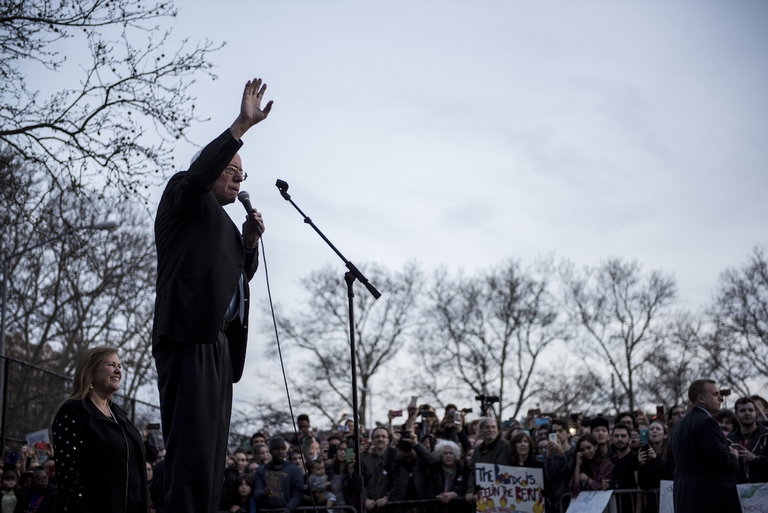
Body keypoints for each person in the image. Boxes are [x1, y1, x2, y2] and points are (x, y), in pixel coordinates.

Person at [152, 77, 271, 513]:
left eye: (243, 175)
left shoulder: (225, 224)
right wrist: (240, 126)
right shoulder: (186, 194)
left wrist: (249, 244)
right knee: (191, 453)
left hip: (221, 342)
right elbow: (202, 171)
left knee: (212, 456)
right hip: (191, 335)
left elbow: (237, 279)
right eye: (232, 171)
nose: (238, 181)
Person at [52, 346, 149, 512]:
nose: (118, 370)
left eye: (120, 366)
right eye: (111, 365)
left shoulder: (120, 415)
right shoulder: (73, 411)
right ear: (91, 371)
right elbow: (66, 471)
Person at [671, 379, 740, 513]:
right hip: (709, 500)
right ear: (701, 398)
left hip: (686, 498)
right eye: (715, 394)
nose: (720, 398)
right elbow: (721, 460)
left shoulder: (680, 424)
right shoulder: (706, 422)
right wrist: (733, 456)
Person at [252, 436, 303, 513]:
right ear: (271, 451)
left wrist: (288, 509)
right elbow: (256, 492)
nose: (280, 451)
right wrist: (263, 492)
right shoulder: (261, 470)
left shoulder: (295, 470)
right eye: (276, 449)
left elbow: (297, 495)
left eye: (282, 449)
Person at [464, 418, 510, 503]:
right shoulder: (477, 450)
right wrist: (470, 491)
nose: (491, 430)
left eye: (493, 427)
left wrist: (482, 493)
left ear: (498, 430)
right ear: (480, 431)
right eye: (487, 427)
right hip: (480, 498)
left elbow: (499, 470)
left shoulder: (505, 446)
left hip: (499, 495)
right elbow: (473, 471)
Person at [727, 396, 768, 483]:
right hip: (738, 491)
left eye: (751, 410)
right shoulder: (729, 439)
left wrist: (755, 458)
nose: (747, 413)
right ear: (736, 414)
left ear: (756, 412)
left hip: (764, 490)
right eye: (742, 410)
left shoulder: (766, 435)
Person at [568, 434, 614, 498]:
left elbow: (601, 486)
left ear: (595, 446)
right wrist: (578, 466)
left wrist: (587, 479)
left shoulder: (605, 464)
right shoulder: (582, 465)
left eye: (588, 448)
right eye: (583, 450)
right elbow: (574, 490)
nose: (586, 452)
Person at [430, 440, 469, 513]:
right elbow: (430, 491)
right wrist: (439, 496)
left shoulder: (463, 470)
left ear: (455, 455)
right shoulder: (435, 470)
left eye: (451, 453)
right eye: (445, 453)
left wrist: (456, 494)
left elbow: (466, 490)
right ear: (440, 456)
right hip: (440, 508)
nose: (448, 456)